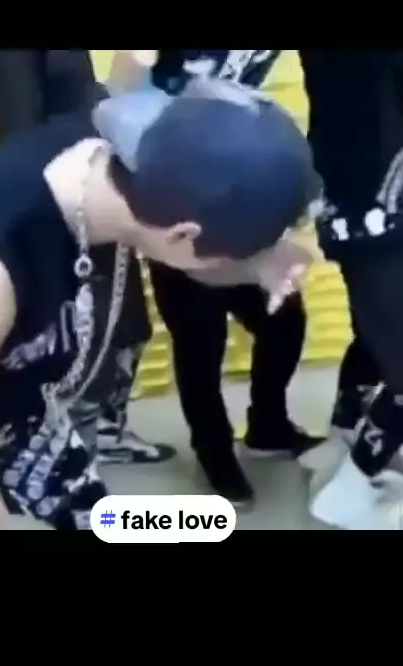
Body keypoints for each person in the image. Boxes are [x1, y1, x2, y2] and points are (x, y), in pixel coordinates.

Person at [0, 77, 318, 530]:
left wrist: (259, 260)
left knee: (107, 521)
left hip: (17, 398)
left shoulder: (116, 157)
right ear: (181, 236)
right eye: (237, 255)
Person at [110, 50, 322, 508]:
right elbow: (119, 102)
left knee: (284, 321)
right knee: (200, 340)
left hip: (240, 187)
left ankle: (268, 427)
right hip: (175, 194)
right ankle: (214, 452)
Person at [0, 50, 173, 466]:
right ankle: (65, 447)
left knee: (128, 325)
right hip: (63, 206)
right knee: (84, 334)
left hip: (97, 185)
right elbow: (23, 140)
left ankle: (106, 431)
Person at [298, 50, 403, 529]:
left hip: (360, 206)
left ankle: (349, 460)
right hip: (375, 211)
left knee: (381, 347)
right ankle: (350, 487)